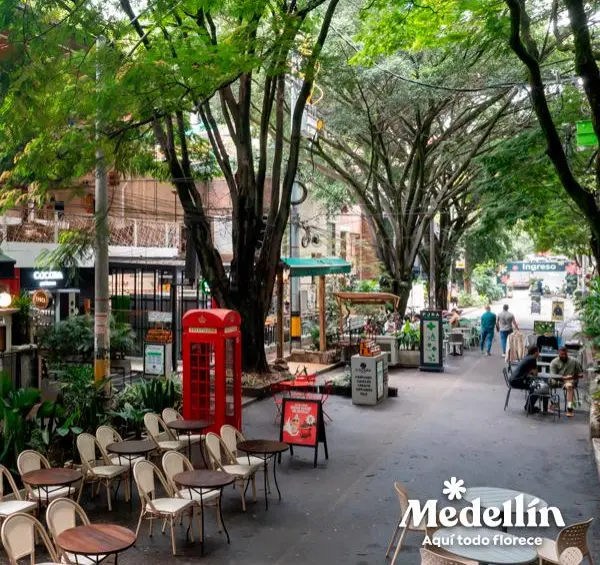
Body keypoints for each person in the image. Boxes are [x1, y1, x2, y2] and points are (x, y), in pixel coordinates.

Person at [550, 347, 584, 417]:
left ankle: (569, 408)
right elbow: (552, 375)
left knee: (569, 386)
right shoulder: (554, 362)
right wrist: (563, 378)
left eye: (565, 354)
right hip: (558, 380)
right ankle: (553, 404)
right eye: (561, 354)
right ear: (558, 354)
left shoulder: (574, 361)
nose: (563, 356)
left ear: (567, 353)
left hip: (570, 380)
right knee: (547, 384)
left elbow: (581, 375)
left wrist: (572, 376)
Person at [509, 346, 544, 413]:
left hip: (513, 380)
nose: (539, 354)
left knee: (534, 386)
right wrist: (535, 364)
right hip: (517, 381)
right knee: (537, 388)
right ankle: (529, 407)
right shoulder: (532, 359)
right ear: (536, 352)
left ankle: (529, 406)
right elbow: (535, 374)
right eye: (538, 352)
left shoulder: (527, 357)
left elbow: (529, 371)